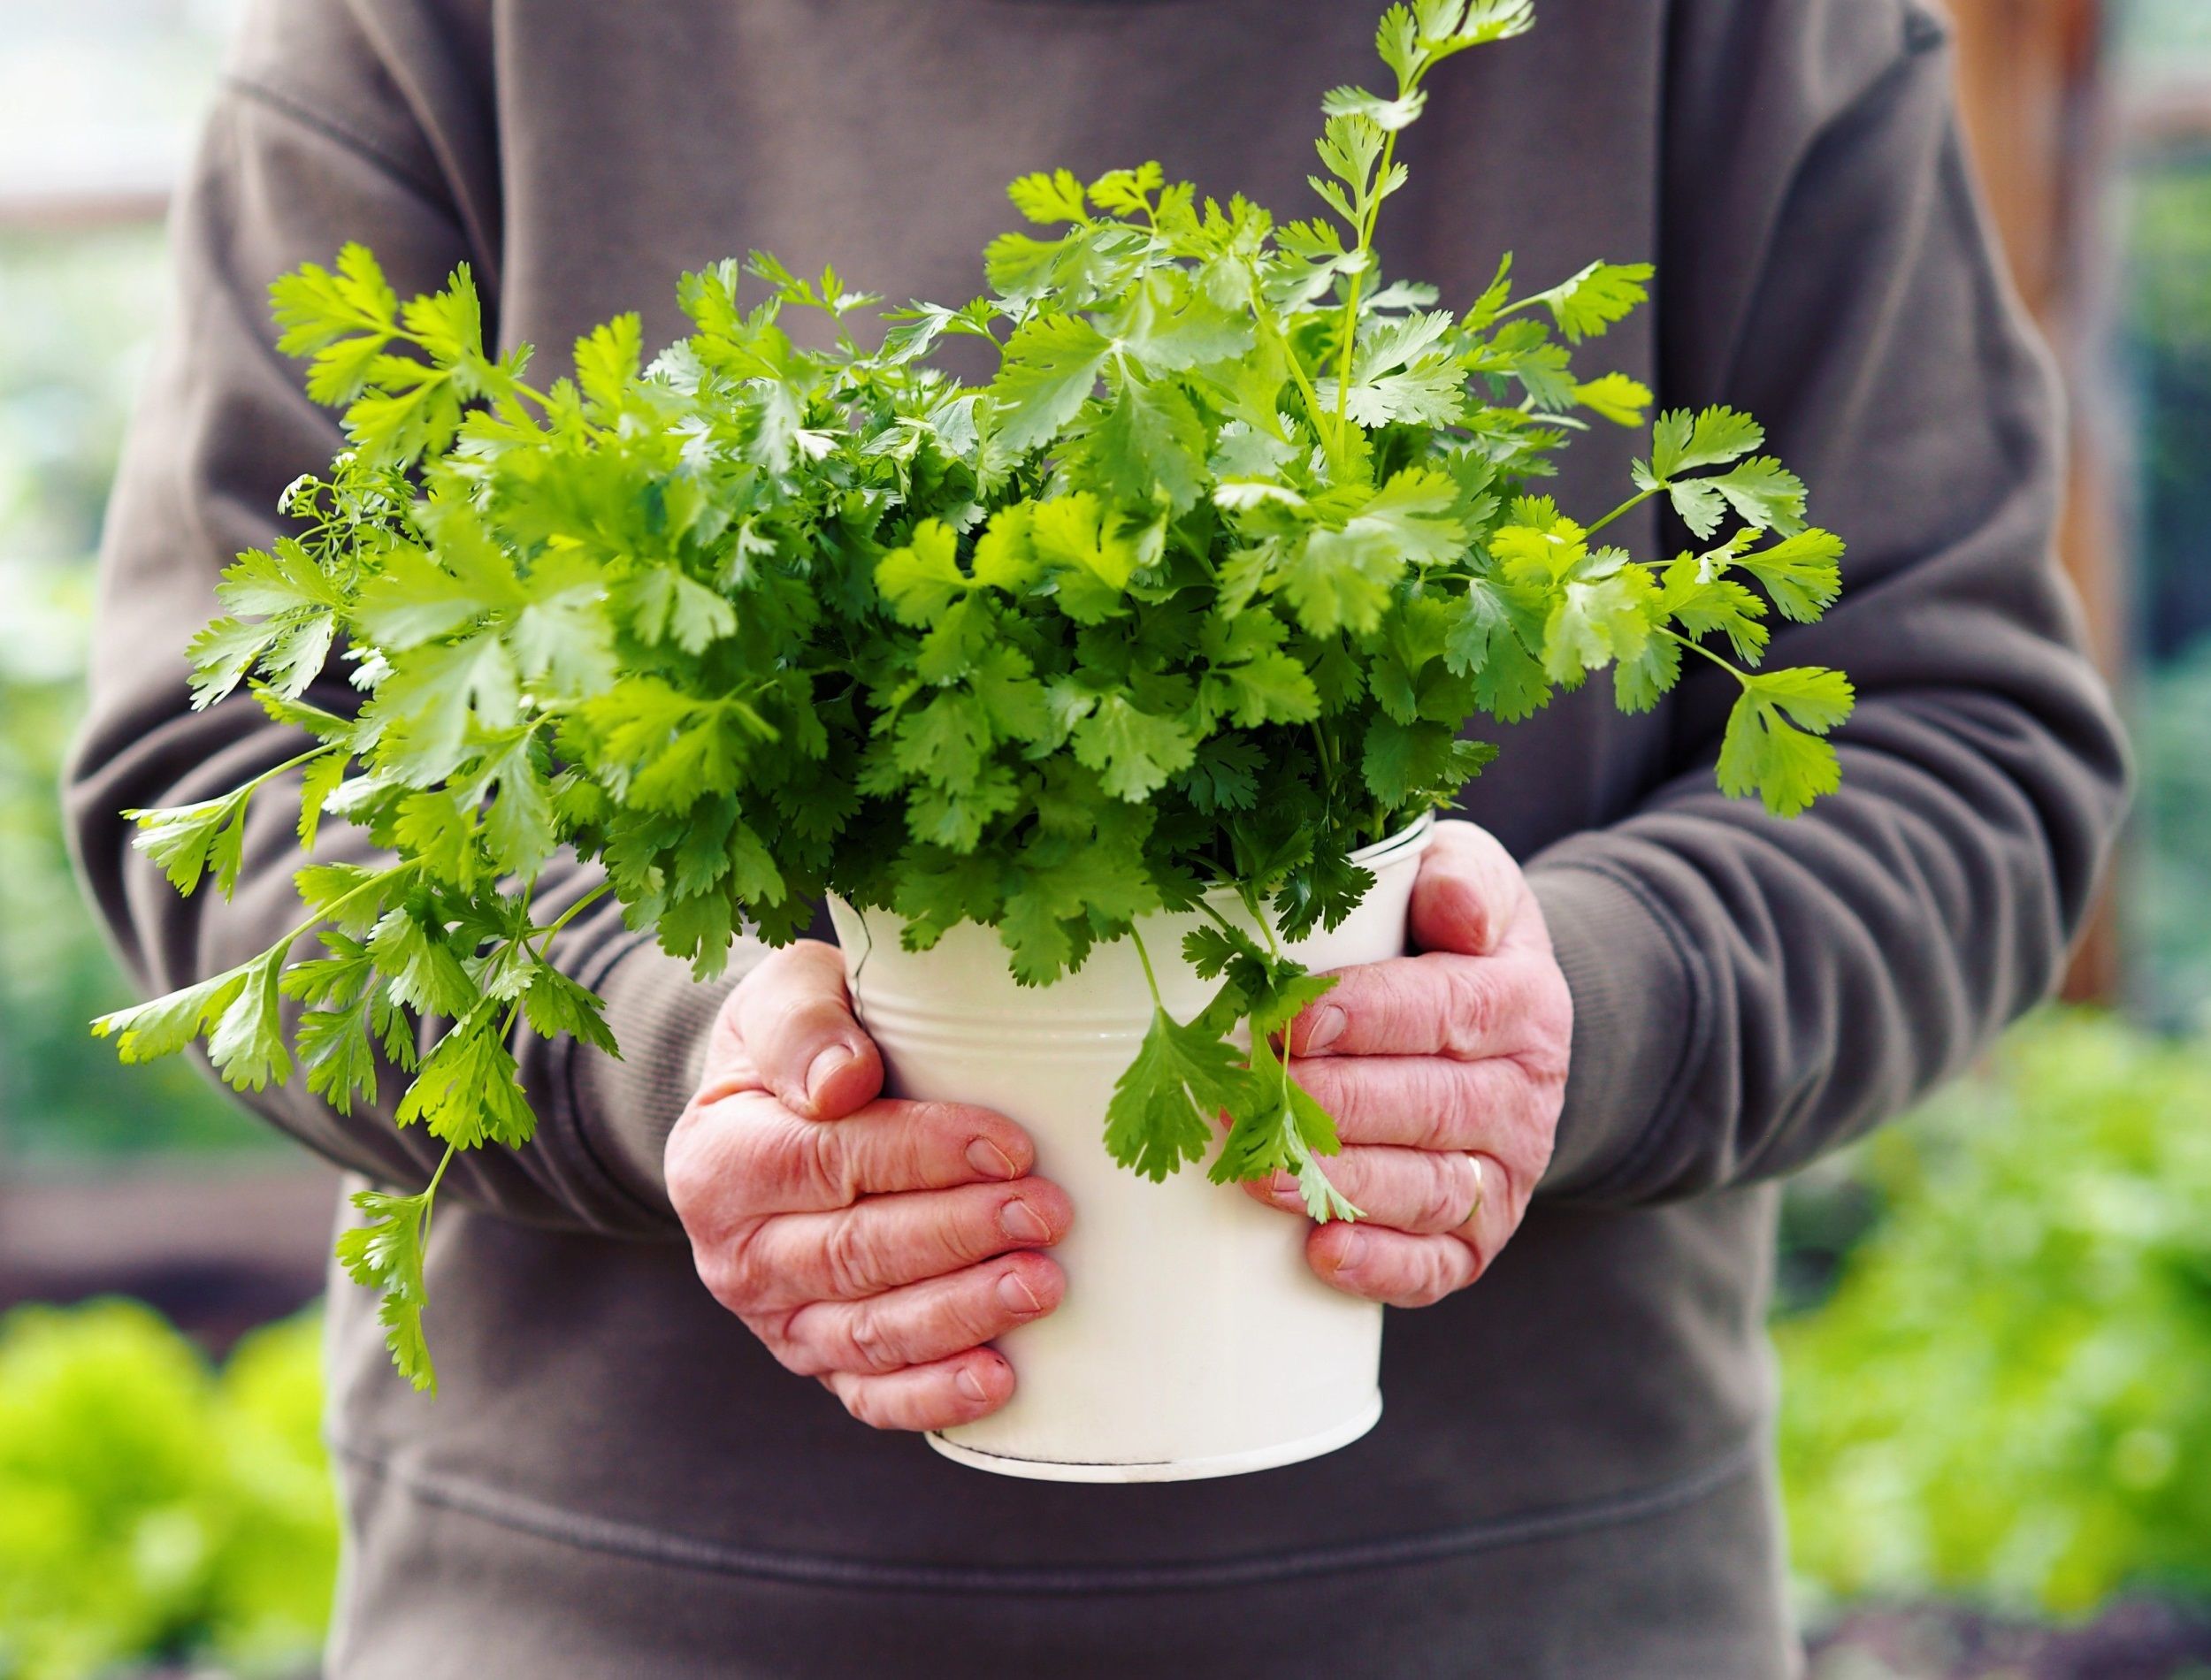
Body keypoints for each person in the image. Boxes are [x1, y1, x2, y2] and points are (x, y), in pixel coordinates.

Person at [68, 0, 2128, 1674]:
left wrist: (1589, 1007)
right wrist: (662, 1048)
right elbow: (226, 772)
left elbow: (1963, 746)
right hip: (618, 1610)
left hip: (1514, 1608)